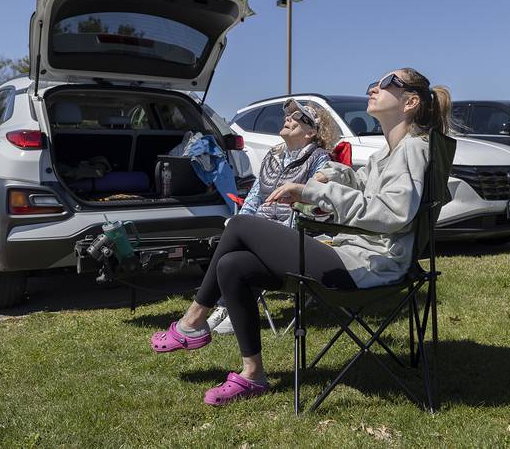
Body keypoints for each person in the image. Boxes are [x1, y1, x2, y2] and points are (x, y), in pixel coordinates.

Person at [150, 68, 451, 406]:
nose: (373, 87)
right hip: (353, 254)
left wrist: (312, 192)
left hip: (369, 266)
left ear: (410, 102)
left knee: (239, 227)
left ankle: (192, 321)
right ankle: (253, 375)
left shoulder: (413, 149)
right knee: (234, 265)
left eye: (387, 84)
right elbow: (362, 185)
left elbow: (392, 213)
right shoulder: (388, 153)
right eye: (375, 82)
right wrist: (332, 174)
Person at [206, 98, 340, 334]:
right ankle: (225, 307)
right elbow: (256, 195)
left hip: (295, 232)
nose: (289, 118)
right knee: (234, 238)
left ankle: (226, 308)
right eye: (288, 115)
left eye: (299, 117)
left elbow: (319, 199)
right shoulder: (273, 156)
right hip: (262, 225)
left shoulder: (319, 158)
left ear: (311, 132)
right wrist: (239, 221)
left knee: (250, 250)